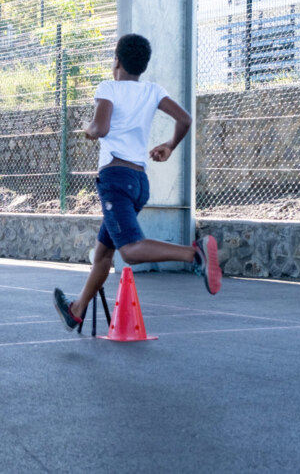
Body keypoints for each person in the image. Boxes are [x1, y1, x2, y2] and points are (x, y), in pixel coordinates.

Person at [53, 33, 222, 331]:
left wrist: (87, 128)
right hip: (138, 183)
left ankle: (192, 254)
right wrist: (168, 146)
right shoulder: (152, 90)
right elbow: (184, 119)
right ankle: (76, 309)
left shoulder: (109, 87)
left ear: (116, 61)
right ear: (143, 65)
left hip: (115, 180)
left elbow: (101, 127)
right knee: (104, 252)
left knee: (129, 250)